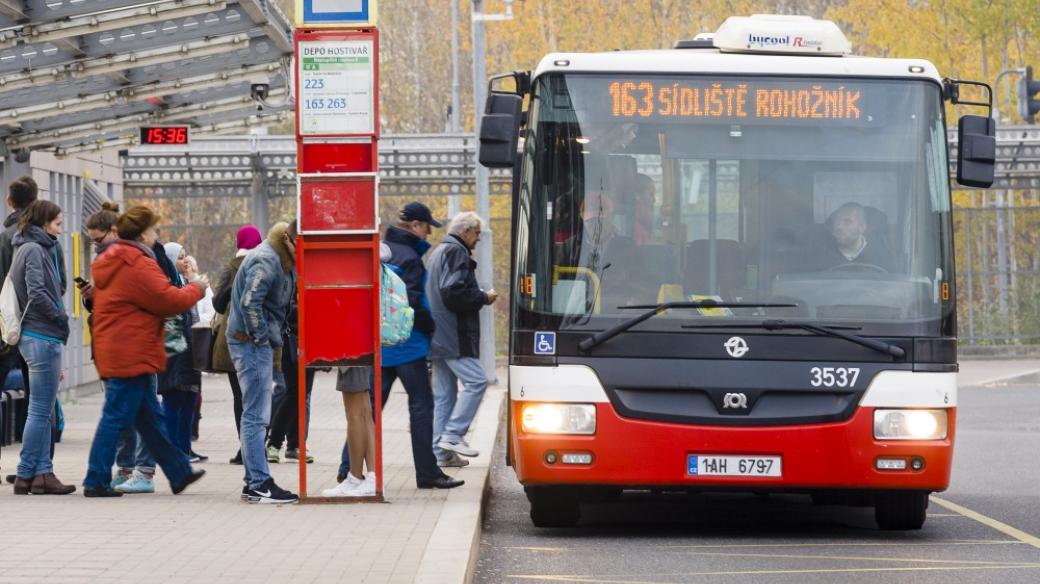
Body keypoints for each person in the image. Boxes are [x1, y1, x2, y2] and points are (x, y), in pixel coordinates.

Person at [82, 205, 207, 497]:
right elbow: (166, 300)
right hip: (131, 350)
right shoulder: (135, 262)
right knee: (115, 416)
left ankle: (178, 473)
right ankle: (96, 479)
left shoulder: (112, 258)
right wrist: (197, 287)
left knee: (150, 419)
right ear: (141, 234)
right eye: (152, 230)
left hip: (120, 346)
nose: (156, 235)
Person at [376, 202, 463, 490]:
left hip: (383, 343)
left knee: (369, 409)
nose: (428, 233)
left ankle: (346, 467)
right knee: (422, 407)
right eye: (426, 227)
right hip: (408, 344)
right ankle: (427, 473)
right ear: (414, 226)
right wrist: (429, 324)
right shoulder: (410, 257)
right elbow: (410, 301)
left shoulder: (385, 250)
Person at [226, 221, 298, 504]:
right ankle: (258, 482)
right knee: (256, 415)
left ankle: (253, 481)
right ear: (287, 239)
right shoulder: (267, 260)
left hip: (254, 340)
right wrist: (259, 338)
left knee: (254, 413)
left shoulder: (280, 257)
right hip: (250, 342)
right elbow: (249, 303)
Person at [9, 200, 74, 495]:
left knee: (43, 410)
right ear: (44, 222)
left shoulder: (25, 246)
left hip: (35, 335)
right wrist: (59, 316)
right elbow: (37, 291)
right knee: (40, 409)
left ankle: (41, 474)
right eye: (58, 224)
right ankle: (27, 473)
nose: (60, 230)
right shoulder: (34, 249)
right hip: (41, 335)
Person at [426, 212, 498, 466]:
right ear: (466, 231)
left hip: (437, 334)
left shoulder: (438, 252)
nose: (478, 239)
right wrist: (482, 297)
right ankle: (454, 434)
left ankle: (440, 453)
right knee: (478, 381)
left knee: (445, 395)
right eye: (477, 233)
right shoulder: (457, 252)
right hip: (452, 334)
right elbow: (453, 293)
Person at [0, 176, 43, 485]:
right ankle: (37, 468)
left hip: (5, 327)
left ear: (9, 201)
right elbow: (60, 284)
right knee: (39, 399)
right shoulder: (45, 240)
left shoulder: (3, 238)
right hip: (38, 328)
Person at [212, 224, 262, 465]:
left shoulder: (232, 267)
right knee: (260, 395)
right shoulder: (267, 265)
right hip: (260, 340)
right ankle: (258, 446)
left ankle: (245, 448)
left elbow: (217, 304)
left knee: (239, 396)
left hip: (231, 340)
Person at [158, 242, 204, 463]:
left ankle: (185, 448)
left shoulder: (185, 282)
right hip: (175, 352)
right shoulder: (168, 284)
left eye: (186, 256)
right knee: (174, 402)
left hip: (190, 349)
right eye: (179, 257)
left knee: (190, 401)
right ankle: (174, 450)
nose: (184, 261)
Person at [266, 268, 316, 465]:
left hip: (311, 339)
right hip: (290, 340)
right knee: (294, 393)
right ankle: (276, 442)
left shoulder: (310, 275)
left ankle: (295, 445)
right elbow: (285, 308)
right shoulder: (287, 275)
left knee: (303, 395)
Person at [324, 366, 375, 497]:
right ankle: (364, 477)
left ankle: (364, 478)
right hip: (356, 354)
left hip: (352, 354)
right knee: (363, 414)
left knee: (355, 414)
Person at [817, 202, 892, 271]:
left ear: (862, 228)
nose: (839, 226)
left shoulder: (881, 256)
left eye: (847, 222)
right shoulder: (820, 256)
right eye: (837, 221)